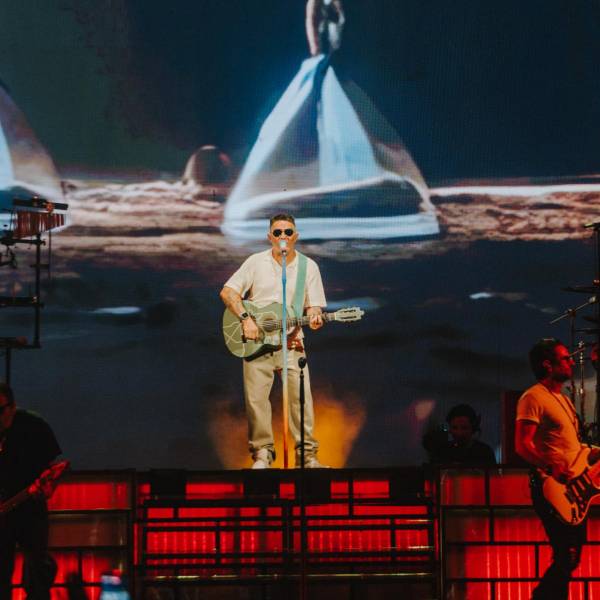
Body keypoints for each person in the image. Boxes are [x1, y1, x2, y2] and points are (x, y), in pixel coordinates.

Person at [220, 214, 328, 469]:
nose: (283, 237)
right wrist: (245, 319)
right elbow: (228, 291)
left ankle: (307, 456)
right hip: (257, 342)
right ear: (269, 237)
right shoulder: (255, 262)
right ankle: (262, 454)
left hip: (292, 342)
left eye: (288, 232)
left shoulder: (308, 267)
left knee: (301, 400)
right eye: (277, 232)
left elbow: (314, 306)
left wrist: (315, 317)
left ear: (296, 236)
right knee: (256, 400)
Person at [515, 338, 600, 600]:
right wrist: (550, 467)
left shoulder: (563, 399)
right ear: (547, 365)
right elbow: (522, 444)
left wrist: (592, 452)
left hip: (574, 488)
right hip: (553, 487)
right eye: (565, 358)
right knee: (567, 555)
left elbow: (570, 446)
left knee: (570, 557)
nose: (571, 361)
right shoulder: (533, 397)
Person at [0, 382, 62, 600]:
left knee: (37, 568)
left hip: (30, 508)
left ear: (12, 407)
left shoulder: (33, 426)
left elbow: (52, 468)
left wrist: (47, 487)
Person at [425, 403, 496, 466]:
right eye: (455, 428)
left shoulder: (484, 452)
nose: (459, 433)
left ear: (473, 429)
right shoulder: (443, 451)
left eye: (464, 428)